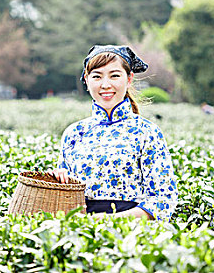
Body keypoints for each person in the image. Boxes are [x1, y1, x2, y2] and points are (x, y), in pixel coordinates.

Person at [49, 45, 178, 221]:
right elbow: (63, 202)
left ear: (129, 78)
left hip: (133, 237)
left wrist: (110, 220)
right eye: (97, 76)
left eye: (115, 75)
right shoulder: (74, 133)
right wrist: (56, 180)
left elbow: (163, 200)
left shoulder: (147, 132)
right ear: (86, 80)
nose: (105, 85)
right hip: (82, 235)